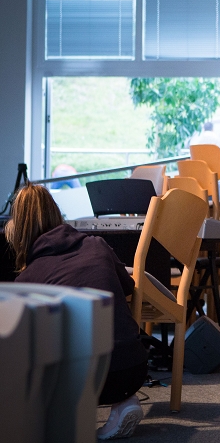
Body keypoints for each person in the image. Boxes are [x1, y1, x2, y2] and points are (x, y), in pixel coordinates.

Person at [6, 183, 148, 440]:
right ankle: (124, 402)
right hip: (133, 368)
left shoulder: (29, 278)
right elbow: (128, 287)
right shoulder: (97, 244)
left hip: (84, 383)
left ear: (18, 230)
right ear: (57, 213)